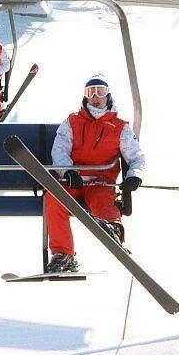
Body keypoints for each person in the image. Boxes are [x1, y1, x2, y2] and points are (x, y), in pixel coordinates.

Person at [43, 75, 146, 273]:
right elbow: (60, 149)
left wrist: (134, 176)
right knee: (55, 199)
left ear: (108, 95)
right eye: (90, 92)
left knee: (103, 200)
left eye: (100, 91)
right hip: (74, 181)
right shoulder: (73, 121)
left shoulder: (120, 126)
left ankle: (112, 228)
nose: (95, 97)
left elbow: (136, 157)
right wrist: (68, 171)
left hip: (101, 181)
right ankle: (63, 255)